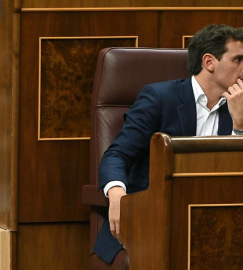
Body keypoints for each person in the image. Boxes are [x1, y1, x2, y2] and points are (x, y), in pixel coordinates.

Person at [93, 24, 243, 267]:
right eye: (238, 59)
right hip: (157, 218)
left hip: (222, 221)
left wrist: (239, 126)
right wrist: (118, 195)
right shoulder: (159, 98)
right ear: (209, 62)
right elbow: (117, 155)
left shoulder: (242, 107)